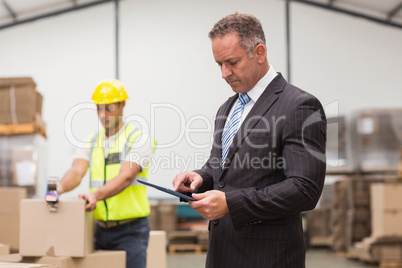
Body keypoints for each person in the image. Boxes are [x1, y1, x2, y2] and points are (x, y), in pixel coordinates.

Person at [173, 13, 326, 268]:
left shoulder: (298, 105)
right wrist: (200, 178)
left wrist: (231, 203)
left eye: (232, 62)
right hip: (221, 252)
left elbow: (304, 189)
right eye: (219, 64)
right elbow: (218, 167)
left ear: (259, 52)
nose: (224, 73)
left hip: (266, 257)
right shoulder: (227, 108)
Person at [58, 79, 155, 268]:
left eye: (109, 108)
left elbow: (126, 177)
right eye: (99, 109)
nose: (103, 115)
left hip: (131, 231)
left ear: (122, 105)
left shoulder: (138, 139)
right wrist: (58, 189)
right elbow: (77, 171)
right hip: (99, 230)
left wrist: (95, 195)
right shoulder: (91, 141)